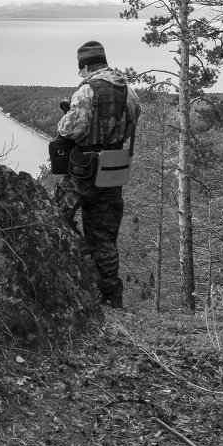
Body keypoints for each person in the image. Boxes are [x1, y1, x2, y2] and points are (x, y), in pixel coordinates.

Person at [56, 40, 141, 309]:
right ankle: (111, 297)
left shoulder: (87, 90)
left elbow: (69, 130)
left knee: (54, 217)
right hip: (112, 172)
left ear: (85, 66)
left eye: (81, 69)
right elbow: (132, 121)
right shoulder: (129, 91)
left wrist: (67, 112)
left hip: (83, 171)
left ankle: (83, 267)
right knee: (104, 237)